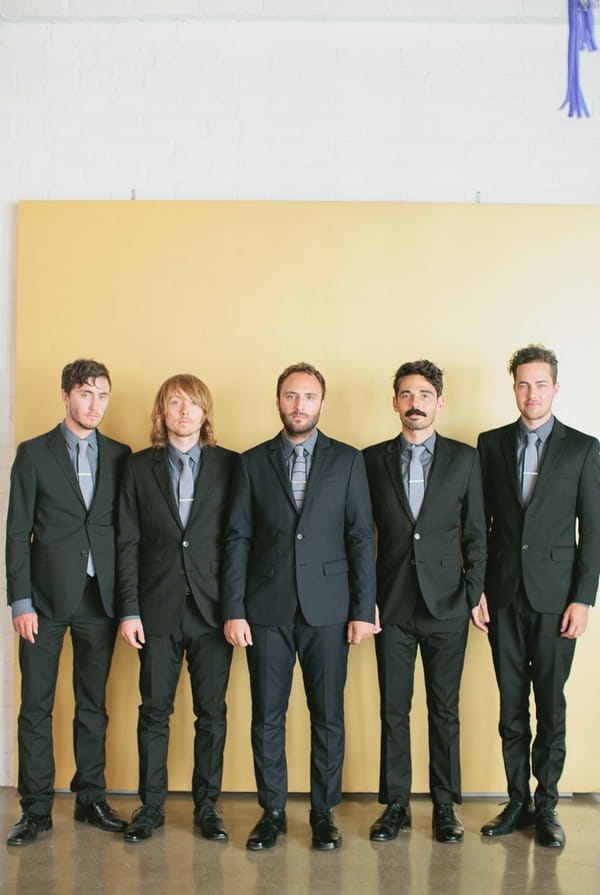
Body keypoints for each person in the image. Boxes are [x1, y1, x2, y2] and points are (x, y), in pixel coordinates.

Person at [222, 362, 376, 851]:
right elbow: (237, 538)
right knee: (267, 715)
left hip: (329, 610)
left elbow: (360, 539)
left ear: (322, 403)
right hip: (265, 609)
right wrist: (234, 608)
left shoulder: (349, 461)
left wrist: (361, 609)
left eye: (308, 397)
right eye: (290, 396)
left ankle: (324, 813)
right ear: (278, 402)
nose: (299, 405)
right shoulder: (250, 462)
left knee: (327, 714)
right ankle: (271, 812)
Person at [474, 344, 600, 848]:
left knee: (550, 706)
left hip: (556, 599)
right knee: (510, 706)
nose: (532, 393)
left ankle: (547, 805)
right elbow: (478, 528)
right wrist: (477, 590)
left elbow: (592, 530)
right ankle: (516, 802)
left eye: (540, 383)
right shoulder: (490, 444)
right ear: (514, 389)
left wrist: (582, 599)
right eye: (523, 384)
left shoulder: (582, 448)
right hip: (502, 596)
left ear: (556, 387)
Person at [6, 358, 131, 846]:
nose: (94, 404)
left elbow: (127, 533)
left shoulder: (122, 456)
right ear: (65, 396)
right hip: (44, 600)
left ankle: (90, 798)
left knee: (92, 705)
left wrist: (126, 601)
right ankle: (35, 810)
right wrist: (20, 601)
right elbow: (18, 532)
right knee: (35, 706)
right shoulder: (34, 453)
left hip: (100, 600)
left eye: (102, 395)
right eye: (85, 394)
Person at [363, 360, 486, 844]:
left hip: (448, 604)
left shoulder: (465, 458)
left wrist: (473, 592)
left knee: (444, 708)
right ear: (395, 402)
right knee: (393, 708)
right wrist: (363, 598)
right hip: (390, 604)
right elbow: (359, 534)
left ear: (440, 401)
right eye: (407, 394)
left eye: (424, 394)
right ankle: (394, 806)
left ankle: (443, 806)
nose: (416, 403)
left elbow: (477, 532)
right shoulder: (369, 459)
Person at [117, 375, 237, 843]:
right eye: (174, 403)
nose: (184, 411)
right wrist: (129, 609)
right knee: (154, 711)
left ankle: (208, 807)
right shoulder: (137, 467)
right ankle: (151, 807)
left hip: (213, 612)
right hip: (156, 608)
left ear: (205, 413)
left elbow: (237, 542)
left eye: (193, 404)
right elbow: (126, 540)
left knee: (212, 714)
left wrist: (236, 607)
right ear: (161, 412)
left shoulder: (230, 465)